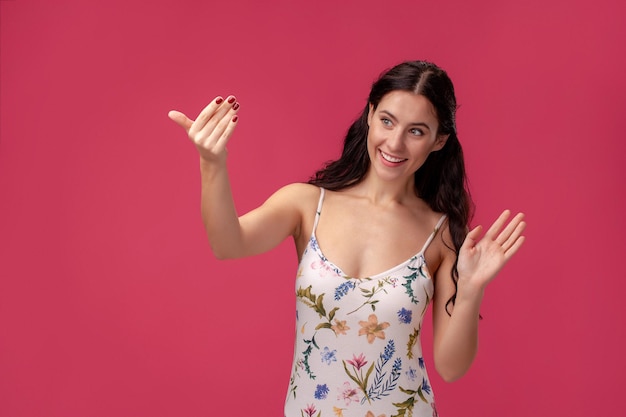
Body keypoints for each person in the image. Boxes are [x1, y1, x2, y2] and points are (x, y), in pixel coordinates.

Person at [168, 61, 526, 417]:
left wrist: (471, 289)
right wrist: (212, 163)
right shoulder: (307, 203)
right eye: (387, 120)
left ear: (439, 140)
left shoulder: (441, 233)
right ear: (370, 115)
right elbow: (228, 244)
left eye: (416, 131)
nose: (395, 142)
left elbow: (451, 367)